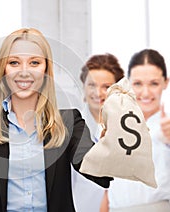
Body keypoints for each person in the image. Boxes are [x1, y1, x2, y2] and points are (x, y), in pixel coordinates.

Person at [0, 28, 112, 212]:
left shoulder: (69, 121)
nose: (24, 72)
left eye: (34, 62)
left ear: (46, 69)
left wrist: (110, 145)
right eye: (14, 62)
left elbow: (95, 168)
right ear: (3, 69)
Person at [103, 49, 170, 211]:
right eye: (138, 84)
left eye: (154, 83)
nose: (146, 92)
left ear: (166, 82)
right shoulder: (113, 124)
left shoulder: (169, 124)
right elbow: (108, 188)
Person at [72, 53, 124, 212]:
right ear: (83, 86)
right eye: (92, 85)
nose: (98, 93)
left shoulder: (128, 128)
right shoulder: (70, 128)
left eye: (106, 87)